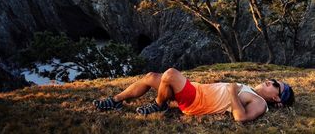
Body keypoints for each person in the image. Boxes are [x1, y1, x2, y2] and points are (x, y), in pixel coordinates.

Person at [93, 68, 294, 122]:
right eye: (273, 79)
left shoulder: (260, 103)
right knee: (151, 77)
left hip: (197, 101)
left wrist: (232, 91)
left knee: (170, 74)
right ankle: (116, 101)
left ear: (277, 98)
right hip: (196, 90)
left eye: (276, 85)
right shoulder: (251, 90)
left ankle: (160, 104)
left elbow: (241, 118)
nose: (271, 81)